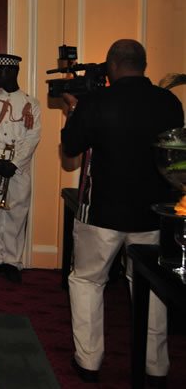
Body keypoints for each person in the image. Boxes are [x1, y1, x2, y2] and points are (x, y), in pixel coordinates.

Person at [62, 39, 183, 385]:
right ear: (143, 65)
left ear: (112, 66)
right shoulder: (170, 103)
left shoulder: (96, 101)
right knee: (151, 288)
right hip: (153, 212)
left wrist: (74, 110)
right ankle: (155, 366)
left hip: (103, 210)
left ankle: (88, 361)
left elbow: (71, 146)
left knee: (87, 281)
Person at [0, 54, 41, 284]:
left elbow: (33, 137)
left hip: (18, 166)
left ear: (12, 72)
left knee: (17, 210)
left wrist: (15, 163)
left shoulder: (31, 103)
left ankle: (12, 261)